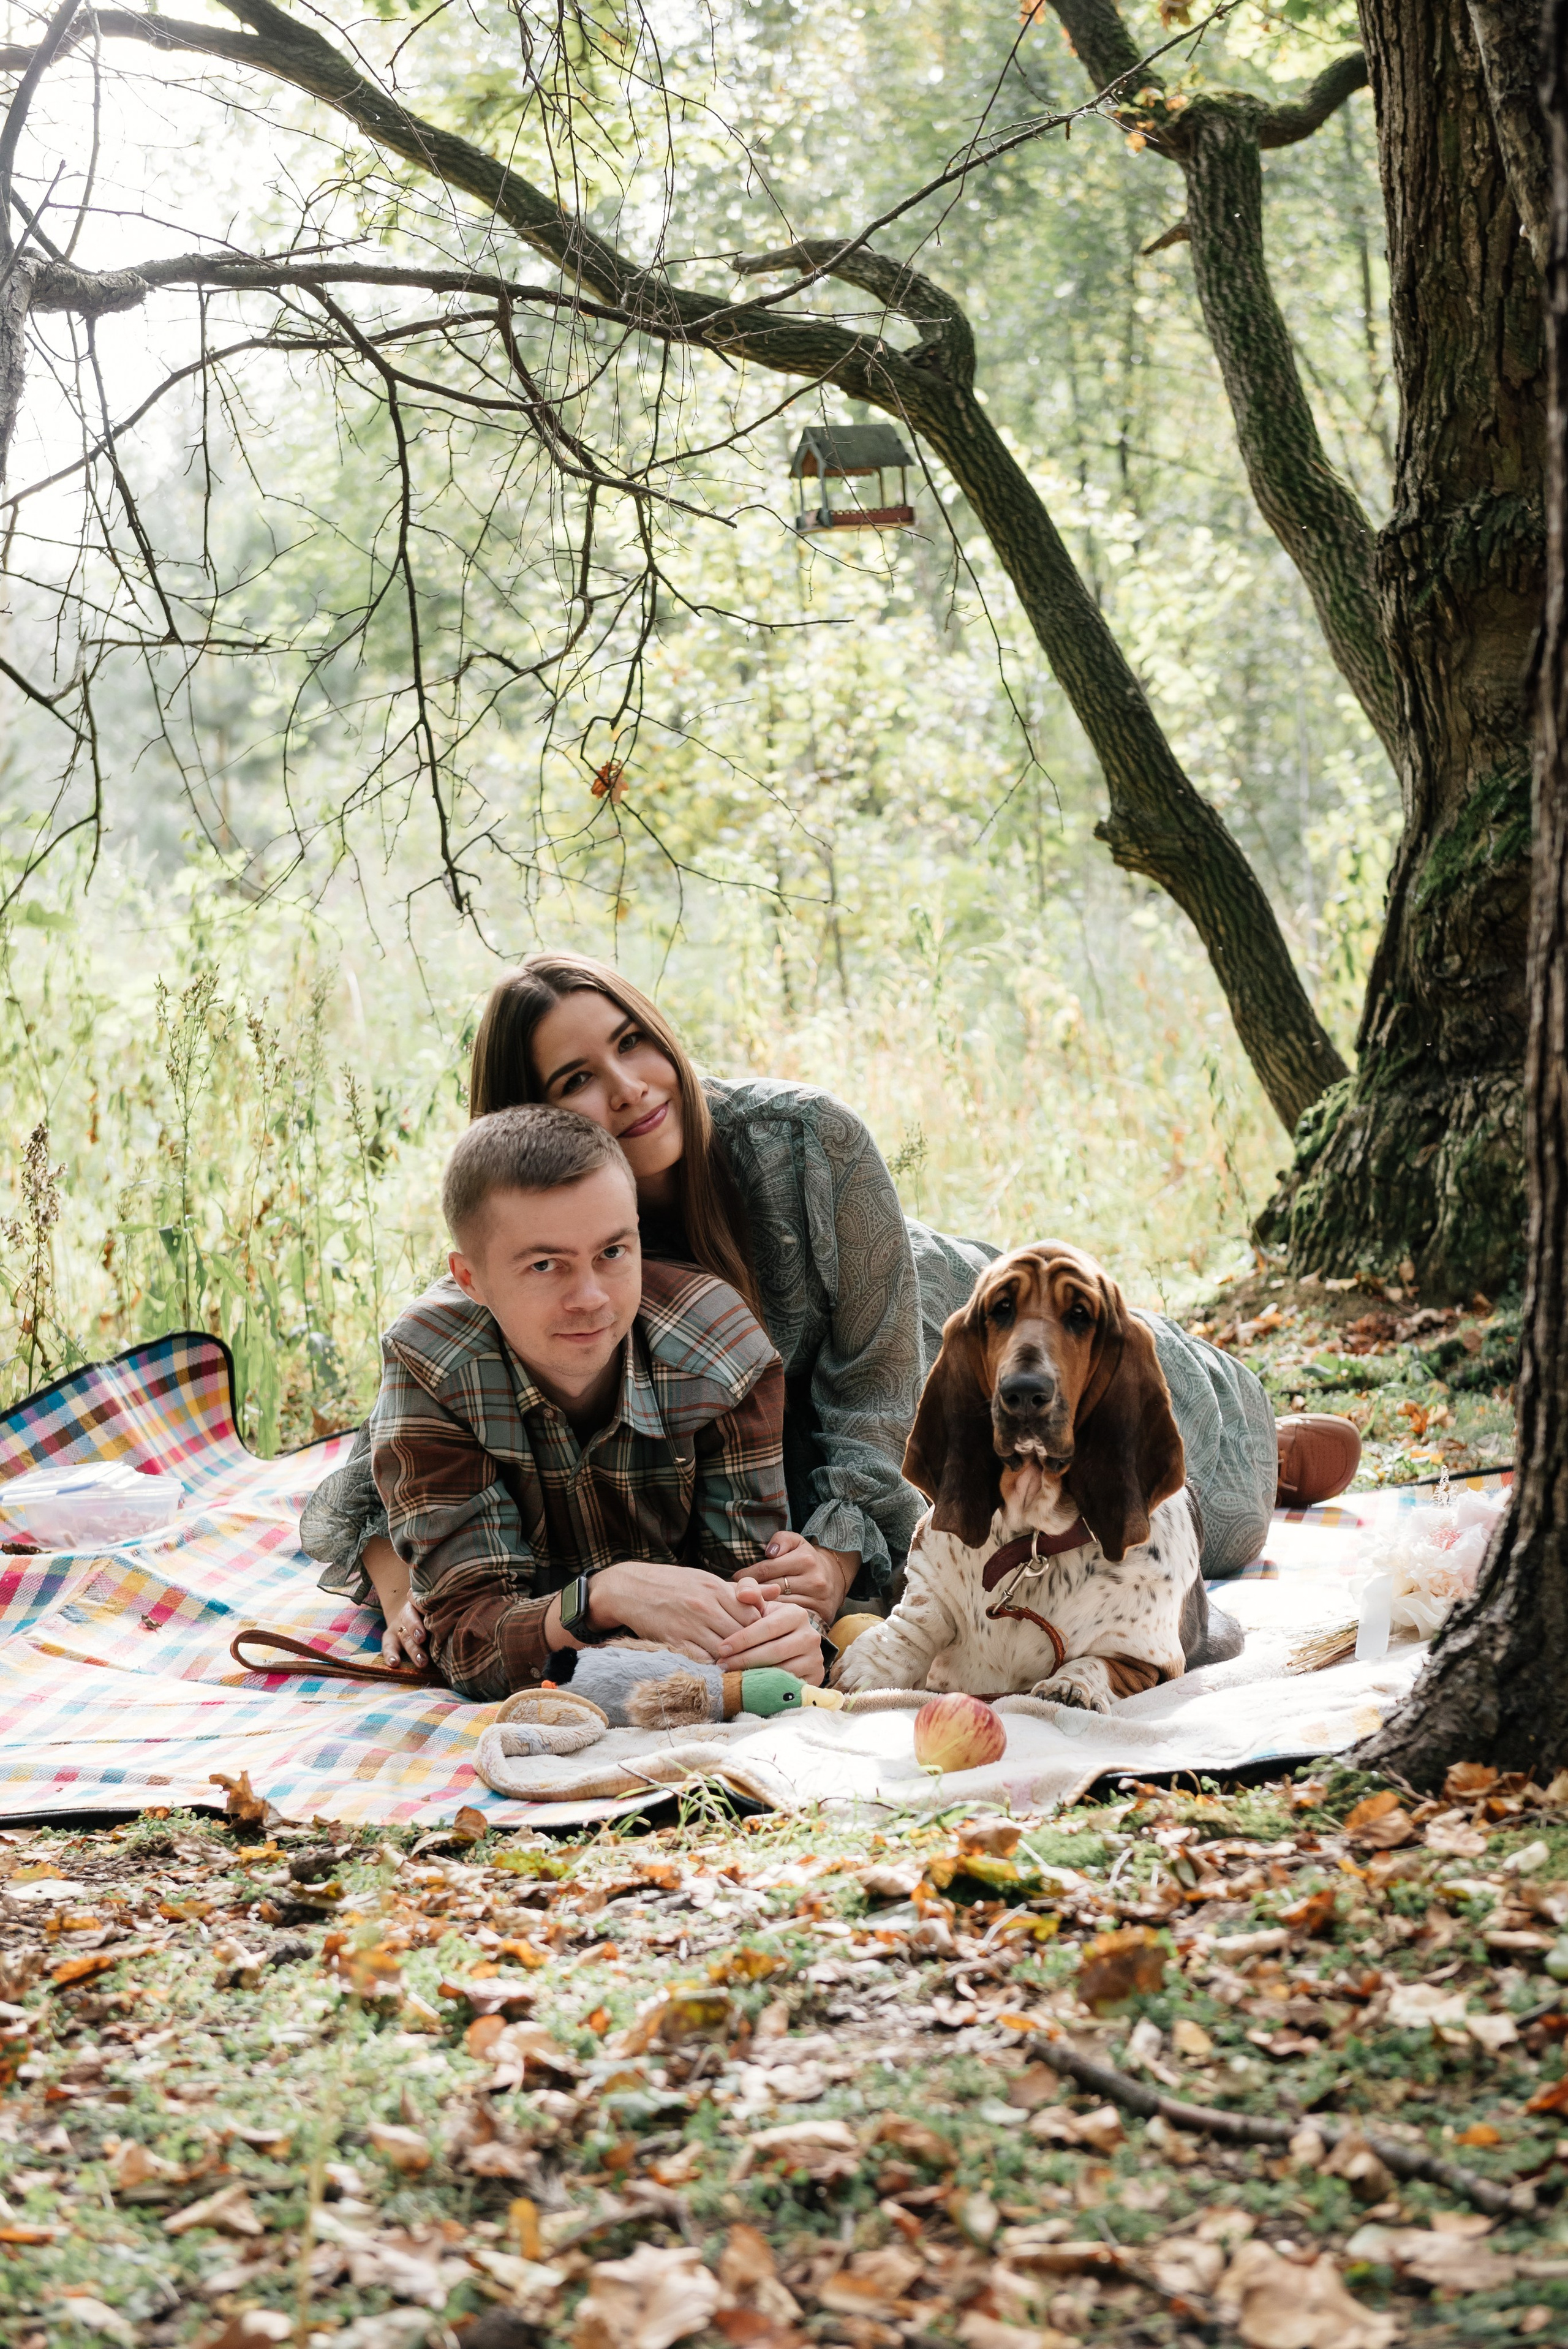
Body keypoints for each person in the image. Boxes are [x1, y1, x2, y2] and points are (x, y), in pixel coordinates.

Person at [303, 951, 1351, 1665]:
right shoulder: (546, 1247)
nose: (628, 1087)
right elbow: (379, 1469)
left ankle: (1268, 1436)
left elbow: (881, 1389)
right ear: (527, 1118)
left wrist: (843, 1550)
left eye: (635, 1042)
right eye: (577, 1077)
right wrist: (412, 1601)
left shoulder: (804, 1143)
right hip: (768, 1459)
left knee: (1183, 1524)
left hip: (931, 1351)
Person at [358, 1101, 822, 1702]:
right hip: (502, 1563)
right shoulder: (432, 1364)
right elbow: (466, 1638)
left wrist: (783, 1635)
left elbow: (750, 1585)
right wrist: (600, 1595)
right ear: (470, 1278)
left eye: (612, 1252)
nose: (590, 1297)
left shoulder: (724, 1355)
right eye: (546, 1264)